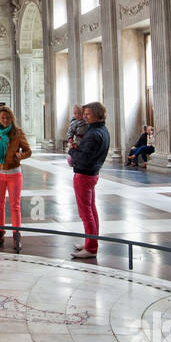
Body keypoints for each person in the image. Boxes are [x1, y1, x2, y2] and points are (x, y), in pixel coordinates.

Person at [0, 106, 32, 252]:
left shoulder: (18, 133)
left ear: (11, 118)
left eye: (7, 118)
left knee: (15, 206)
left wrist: (18, 156)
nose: (5, 120)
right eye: (2, 118)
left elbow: (28, 151)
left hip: (14, 173)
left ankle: (16, 236)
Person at [68, 101, 110, 260]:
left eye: (87, 115)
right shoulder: (101, 130)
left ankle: (91, 248)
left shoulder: (93, 134)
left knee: (86, 212)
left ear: (97, 115)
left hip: (84, 174)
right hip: (92, 173)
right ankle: (90, 241)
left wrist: (72, 151)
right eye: (83, 114)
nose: (84, 117)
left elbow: (84, 158)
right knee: (91, 210)